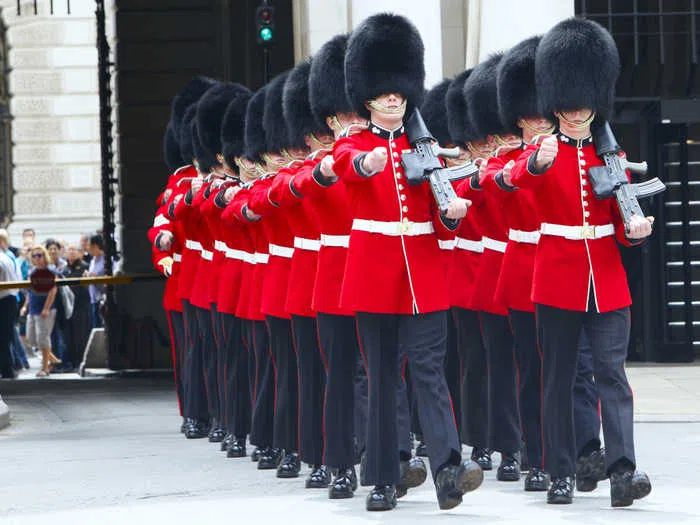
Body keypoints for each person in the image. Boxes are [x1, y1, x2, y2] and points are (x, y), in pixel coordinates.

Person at [334, 13, 481, 512]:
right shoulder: (353, 144)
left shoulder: (428, 150)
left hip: (422, 273)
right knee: (382, 376)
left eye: (399, 90)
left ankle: (446, 468)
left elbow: (440, 219)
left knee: (429, 371)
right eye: (383, 91)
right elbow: (341, 169)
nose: (393, 98)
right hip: (375, 275)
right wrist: (364, 165)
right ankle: (385, 472)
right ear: (367, 95)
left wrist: (453, 214)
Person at [509, 17, 653, 507]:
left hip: (607, 280)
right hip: (557, 277)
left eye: (584, 103)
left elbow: (621, 217)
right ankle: (561, 470)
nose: (576, 112)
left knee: (612, 375)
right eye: (567, 105)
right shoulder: (540, 154)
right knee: (561, 378)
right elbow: (513, 183)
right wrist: (535, 161)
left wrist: (633, 232)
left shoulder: (611, 153)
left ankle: (623, 470)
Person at [21, 245, 61, 377]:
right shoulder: (32, 271)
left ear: (45, 256)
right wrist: (25, 306)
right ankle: (52, 359)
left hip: (45, 308)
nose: (37, 258)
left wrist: (46, 308)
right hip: (33, 307)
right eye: (34, 256)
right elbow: (29, 291)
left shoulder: (50, 270)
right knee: (31, 339)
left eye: (40, 255)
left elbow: (53, 289)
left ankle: (45, 367)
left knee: (43, 338)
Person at [64, 243, 91, 370]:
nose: (72, 252)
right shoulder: (65, 269)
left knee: (81, 334)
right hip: (68, 306)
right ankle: (71, 361)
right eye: (69, 250)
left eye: (74, 250)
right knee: (70, 336)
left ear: (80, 253)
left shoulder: (84, 267)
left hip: (81, 305)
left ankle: (80, 361)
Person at [0, 244, 19, 378]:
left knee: (3, 338)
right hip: (10, 299)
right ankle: (7, 368)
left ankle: (6, 368)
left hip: (3, 300)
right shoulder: (6, 257)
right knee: (6, 337)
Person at [86, 234, 106, 329]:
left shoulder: (106, 260)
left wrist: (96, 277)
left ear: (96, 246)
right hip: (94, 298)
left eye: (89, 245)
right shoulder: (93, 260)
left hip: (103, 298)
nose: (87, 248)